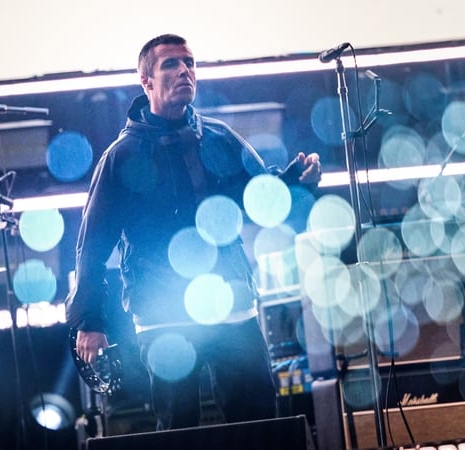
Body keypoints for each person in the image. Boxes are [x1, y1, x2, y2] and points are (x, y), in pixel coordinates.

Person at [65, 33, 322, 430]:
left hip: (230, 303)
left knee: (258, 422)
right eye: (171, 64)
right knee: (178, 429)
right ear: (146, 81)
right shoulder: (121, 156)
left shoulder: (219, 137)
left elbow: (260, 196)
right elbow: (92, 246)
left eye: (189, 63)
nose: (185, 70)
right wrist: (88, 320)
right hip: (163, 314)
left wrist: (295, 181)